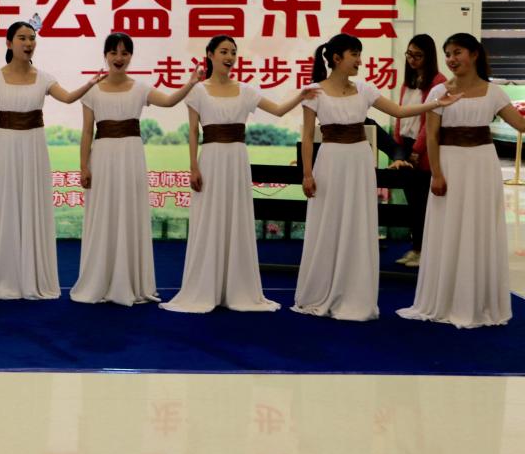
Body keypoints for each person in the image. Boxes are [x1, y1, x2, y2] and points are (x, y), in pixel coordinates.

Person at [293, 33, 459, 321]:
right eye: (354, 55)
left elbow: (399, 111)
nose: (360, 60)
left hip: (359, 161)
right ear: (337, 58)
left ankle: (354, 291)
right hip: (330, 162)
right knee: (329, 221)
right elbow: (308, 137)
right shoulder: (314, 92)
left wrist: (435, 104)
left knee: (358, 221)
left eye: (359, 54)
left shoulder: (364, 89)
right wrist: (307, 174)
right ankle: (322, 289)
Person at [161, 35, 317, 314]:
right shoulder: (197, 91)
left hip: (236, 159)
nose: (229, 57)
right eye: (223, 51)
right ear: (210, 54)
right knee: (210, 218)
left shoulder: (245, 90)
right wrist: (193, 166)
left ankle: (236, 287)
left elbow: (278, 111)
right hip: (210, 159)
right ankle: (206, 286)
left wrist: (300, 96)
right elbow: (193, 131)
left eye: (233, 52)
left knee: (236, 216)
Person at [397, 33, 525, 328]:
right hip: (449, 165)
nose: (451, 59)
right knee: (449, 226)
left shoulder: (493, 92)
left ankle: (476, 299)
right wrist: (437, 173)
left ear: (474, 54)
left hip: (482, 166)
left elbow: (520, 124)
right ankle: (446, 297)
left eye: (457, 53)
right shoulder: (439, 91)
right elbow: (431, 136)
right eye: (448, 54)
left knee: (478, 226)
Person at [70, 32, 203, 306]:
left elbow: (169, 101)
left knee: (130, 211)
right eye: (114, 52)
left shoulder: (140, 88)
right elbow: (86, 132)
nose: (119, 58)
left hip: (131, 157)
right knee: (104, 213)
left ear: (131, 56)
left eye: (125, 53)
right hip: (102, 157)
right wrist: (83, 166)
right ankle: (101, 280)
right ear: (105, 56)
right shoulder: (92, 90)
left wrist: (190, 83)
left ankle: (130, 281)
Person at [0, 20, 105, 300]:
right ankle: (4, 275)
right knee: (7, 205)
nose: (28, 43)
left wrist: (89, 84)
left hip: (34, 147)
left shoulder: (44, 78)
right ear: (9, 43)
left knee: (32, 203)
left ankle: (32, 276)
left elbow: (68, 98)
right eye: (22, 38)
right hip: (6, 148)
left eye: (32, 38)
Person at [390, 34, 445, 267]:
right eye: (409, 54)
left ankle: (426, 251)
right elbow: (400, 113)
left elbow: (430, 123)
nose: (412, 59)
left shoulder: (438, 82)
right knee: (412, 204)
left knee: (423, 204)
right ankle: (416, 248)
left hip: (422, 150)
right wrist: (397, 145)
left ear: (428, 56)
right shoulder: (409, 80)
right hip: (405, 145)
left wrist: (417, 150)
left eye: (418, 55)